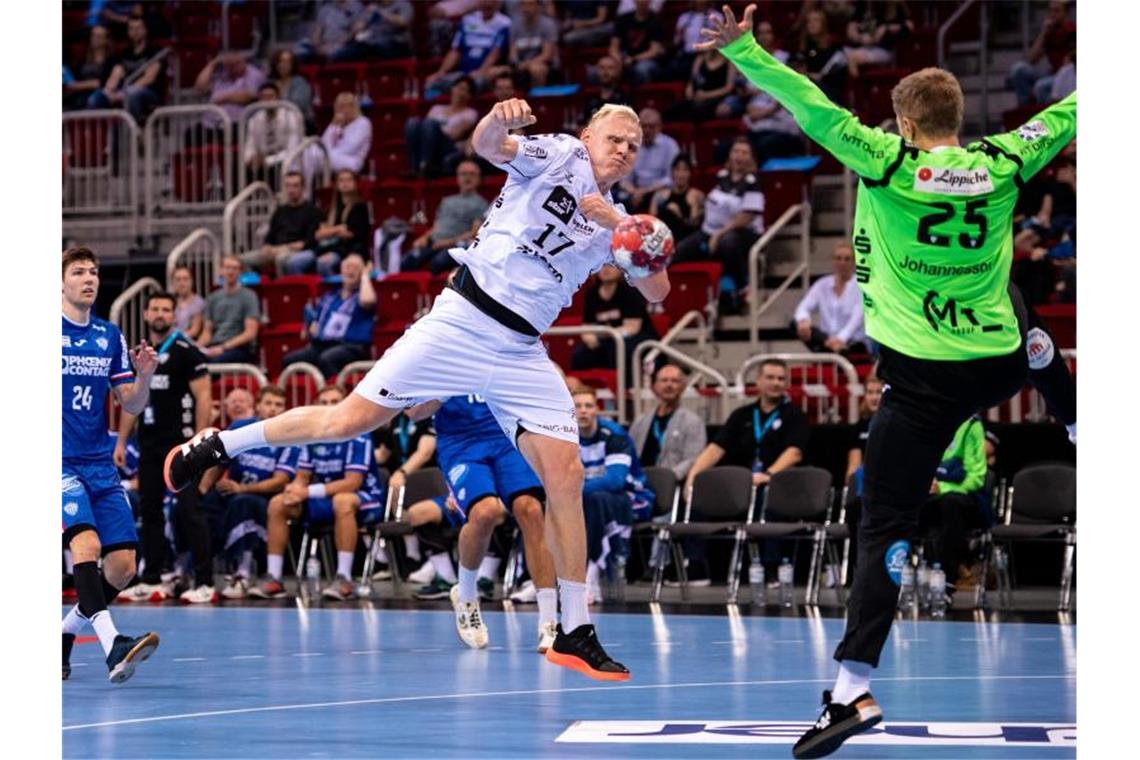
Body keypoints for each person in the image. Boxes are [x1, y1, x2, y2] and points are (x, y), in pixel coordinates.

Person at [165, 99, 671, 683]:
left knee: (566, 477)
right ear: (588, 134)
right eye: (615, 138)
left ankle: (575, 629)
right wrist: (497, 120)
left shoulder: (622, 221)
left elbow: (656, 291)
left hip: (522, 351)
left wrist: (623, 229)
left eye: (634, 146)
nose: (623, 151)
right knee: (347, 421)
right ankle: (219, 444)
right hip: (462, 322)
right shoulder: (557, 155)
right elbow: (488, 145)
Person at [697, 7, 1077, 756]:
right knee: (1019, 310)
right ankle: (1073, 414)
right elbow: (1069, 112)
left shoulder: (887, 162)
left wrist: (743, 48)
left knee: (882, 524)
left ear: (905, 122)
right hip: (998, 363)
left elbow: (809, 101)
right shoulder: (1005, 161)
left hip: (923, 384)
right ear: (957, 117)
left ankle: (849, 691)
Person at [61, 246, 160, 683]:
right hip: (56, 462)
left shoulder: (109, 335)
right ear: (60, 282)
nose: (89, 278)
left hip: (99, 462)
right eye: (78, 271)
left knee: (123, 568)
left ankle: (61, 637)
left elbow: (131, 403)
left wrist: (143, 376)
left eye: (94, 271)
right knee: (86, 547)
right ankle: (112, 645)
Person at [411, 395, 559, 652]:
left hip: (506, 438)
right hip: (461, 445)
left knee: (531, 510)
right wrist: (446, 389)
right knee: (485, 513)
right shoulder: (434, 357)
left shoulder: (506, 354)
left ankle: (549, 621)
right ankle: (466, 597)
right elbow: (415, 412)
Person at [114, 292, 215, 603]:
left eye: (166, 309)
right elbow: (131, 399)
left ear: (175, 315)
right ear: (145, 314)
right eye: (155, 308)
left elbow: (204, 398)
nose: (160, 313)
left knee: (189, 511)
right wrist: (120, 440)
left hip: (180, 447)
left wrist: (198, 443)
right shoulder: (143, 356)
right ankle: (153, 577)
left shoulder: (187, 351)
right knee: (150, 510)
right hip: (149, 445)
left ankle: (205, 582)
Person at [249, 384, 386, 601]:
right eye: (324, 403)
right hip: (323, 499)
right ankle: (274, 578)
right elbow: (302, 476)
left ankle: (344, 578)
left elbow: (352, 483)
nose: (329, 407)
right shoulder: (312, 436)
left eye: (335, 402)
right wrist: (294, 490)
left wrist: (307, 491)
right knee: (278, 503)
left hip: (366, 499)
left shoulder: (359, 435)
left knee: (342, 500)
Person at [679, 358, 810, 585]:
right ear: (758, 381)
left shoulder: (794, 415)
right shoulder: (742, 415)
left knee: (767, 496)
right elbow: (716, 448)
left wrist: (767, 474)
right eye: (770, 377)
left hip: (776, 484)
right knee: (700, 493)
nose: (776, 383)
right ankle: (696, 565)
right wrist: (693, 475)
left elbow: (794, 453)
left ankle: (770, 567)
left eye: (781, 379)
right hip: (741, 485)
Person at [199, 386, 297, 600]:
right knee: (203, 504)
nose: (273, 409)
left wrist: (242, 488)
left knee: (243, 502)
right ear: (258, 406)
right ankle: (190, 572)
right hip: (234, 492)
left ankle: (243, 573)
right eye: (268, 403)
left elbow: (280, 481)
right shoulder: (240, 428)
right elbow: (219, 464)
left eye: (278, 405)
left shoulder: (290, 436)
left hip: (266, 499)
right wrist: (203, 489)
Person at [670, 136, 765, 305]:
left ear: (751, 158)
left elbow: (747, 216)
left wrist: (720, 234)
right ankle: (673, 296)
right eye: (736, 151)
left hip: (742, 234)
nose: (739, 156)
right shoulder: (722, 177)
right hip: (709, 231)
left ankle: (744, 287)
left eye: (744, 153)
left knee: (727, 243)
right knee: (681, 250)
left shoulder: (753, 182)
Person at [573, 387, 646, 603]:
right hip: (587, 499)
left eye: (588, 406)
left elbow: (615, 481)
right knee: (541, 504)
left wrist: (568, 492)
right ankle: (535, 581)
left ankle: (591, 576)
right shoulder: (565, 436)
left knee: (594, 500)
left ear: (597, 410)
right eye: (577, 406)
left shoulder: (614, 435)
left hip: (631, 498)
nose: (583, 411)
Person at [919, 414, 988, 600]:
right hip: (935, 494)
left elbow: (977, 476)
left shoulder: (972, 425)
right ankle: (904, 579)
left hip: (965, 498)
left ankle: (947, 583)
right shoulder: (931, 421)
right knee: (909, 506)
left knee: (950, 505)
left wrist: (943, 487)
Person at [282, 254, 377, 377]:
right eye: (347, 266)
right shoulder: (329, 297)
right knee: (290, 361)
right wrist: (309, 329)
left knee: (327, 359)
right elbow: (312, 327)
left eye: (356, 267)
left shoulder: (363, 294)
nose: (350, 270)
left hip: (351, 345)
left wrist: (365, 276)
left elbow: (367, 301)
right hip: (323, 344)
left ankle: (335, 393)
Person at [570, 263, 657, 381]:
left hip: (636, 337)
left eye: (610, 266)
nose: (605, 269)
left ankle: (627, 388)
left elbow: (632, 328)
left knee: (619, 349)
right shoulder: (592, 293)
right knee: (580, 354)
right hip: (607, 338)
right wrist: (589, 338)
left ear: (621, 269)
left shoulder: (630, 291)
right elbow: (587, 327)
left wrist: (607, 336)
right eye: (602, 266)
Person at [401, 159, 488, 273]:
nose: (467, 178)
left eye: (472, 174)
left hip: (455, 244)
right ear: (457, 177)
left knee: (438, 262)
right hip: (434, 242)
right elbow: (437, 226)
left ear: (478, 178)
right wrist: (425, 237)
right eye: (463, 174)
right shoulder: (447, 201)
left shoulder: (481, 203)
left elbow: (474, 233)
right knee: (407, 261)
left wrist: (447, 242)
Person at [628, 363, 707, 479]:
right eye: (664, 381)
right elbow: (628, 454)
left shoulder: (693, 422)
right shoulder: (640, 421)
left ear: (683, 387)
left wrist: (668, 478)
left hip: (671, 484)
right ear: (654, 386)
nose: (669, 385)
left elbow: (693, 459)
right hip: (639, 483)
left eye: (675, 381)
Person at [86, 15, 165, 123]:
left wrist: (123, 93)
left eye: (138, 28)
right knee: (96, 98)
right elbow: (116, 73)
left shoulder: (154, 52)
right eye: (131, 28)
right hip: (124, 91)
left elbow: (148, 78)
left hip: (148, 93)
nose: (135, 32)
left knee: (132, 95)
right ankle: (99, 136)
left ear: (145, 30)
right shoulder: (125, 54)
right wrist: (108, 90)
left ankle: (136, 132)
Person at [424, 0, 512, 96]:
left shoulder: (505, 23)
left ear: (497, 2)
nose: (487, 3)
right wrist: (441, 72)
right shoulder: (468, 20)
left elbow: (496, 52)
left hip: (485, 73)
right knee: (432, 84)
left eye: (491, 1)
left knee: (467, 85)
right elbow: (456, 50)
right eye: (484, 1)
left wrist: (481, 71)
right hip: (463, 73)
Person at [241, 171, 323, 275]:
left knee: (281, 259)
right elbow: (270, 235)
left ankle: (283, 290)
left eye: (295, 186)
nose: (291, 190)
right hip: (276, 249)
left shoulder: (313, 211)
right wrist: (267, 246)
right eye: (288, 186)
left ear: (303, 188)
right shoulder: (280, 211)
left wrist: (285, 248)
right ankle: (255, 288)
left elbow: (310, 240)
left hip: (297, 251)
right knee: (240, 260)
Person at [792, 242, 867, 354]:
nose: (842, 263)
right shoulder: (822, 284)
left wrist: (841, 339)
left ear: (854, 262)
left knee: (853, 344)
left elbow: (857, 318)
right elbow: (803, 307)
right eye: (838, 259)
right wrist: (803, 320)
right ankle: (831, 346)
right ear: (833, 261)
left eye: (847, 259)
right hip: (826, 341)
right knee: (794, 324)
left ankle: (837, 347)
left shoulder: (861, 285)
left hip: (852, 342)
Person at [404, 77, 480, 179]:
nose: (459, 92)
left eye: (464, 89)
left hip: (449, 146)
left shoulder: (470, 113)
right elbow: (424, 132)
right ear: (452, 89)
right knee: (412, 123)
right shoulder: (436, 108)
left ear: (469, 95)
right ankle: (415, 167)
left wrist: (435, 128)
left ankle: (426, 165)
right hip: (429, 143)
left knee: (430, 125)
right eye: (458, 88)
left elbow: (454, 135)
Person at [1007, 0, 1075, 106]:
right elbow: (1031, 59)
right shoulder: (1049, 31)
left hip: (1067, 78)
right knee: (1019, 70)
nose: (1053, 15)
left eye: (1057, 11)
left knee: (1041, 86)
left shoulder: (1073, 30)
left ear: (1066, 13)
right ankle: (1024, 111)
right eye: (1050, 11)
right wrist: (1043, 32)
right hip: (1052, 74)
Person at [198, 255, 260, 364]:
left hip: (239, 348)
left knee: (210, 365)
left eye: (234, 268)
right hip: (214, 346)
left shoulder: (249, 296)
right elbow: (207, 331)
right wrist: (197, 347)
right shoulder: (212, 298)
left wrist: (223, 347)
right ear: (221, 270)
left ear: (240, 272)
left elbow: (250, 333)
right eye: (227, 268)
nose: (230, 272)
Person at [617, 108, 678, 214]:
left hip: (658, 190)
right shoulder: (631, 145)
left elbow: (671, 178)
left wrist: (645, 191)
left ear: (659, 127)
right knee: (616, 197)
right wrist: (634, 191)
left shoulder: (670, 146)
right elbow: (624, 177)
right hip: (635, 191)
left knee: (662, 200)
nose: (647, 130)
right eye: (643, 126)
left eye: (651, 127)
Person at [312, 169, 371, 276]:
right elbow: (319, 234)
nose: (345, 183)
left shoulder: (360, 207)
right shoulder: (331, 209)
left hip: (351, 250)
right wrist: (339, 229)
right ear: (337, 184)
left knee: (323, 263)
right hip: (330, 248)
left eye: (349, 180)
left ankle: (335, 290)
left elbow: (352, 234)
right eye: (341, 180)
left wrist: (330, 231)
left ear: (355, 183)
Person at [243, 82, 304, 182]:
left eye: (271, 96)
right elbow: (250, 146)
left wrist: (267, 161)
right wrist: (250, 159)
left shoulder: (291, 117)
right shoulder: (254, 120)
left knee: (282, 166)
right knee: (242, 166)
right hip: (263, 161)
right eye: (264, 97)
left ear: (278, 98)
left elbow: (293, 150)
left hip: (286, 160)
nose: (267, 101)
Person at [194, 51, 265, 135]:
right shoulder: (222, 75)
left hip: (237, 124)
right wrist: (213, 64)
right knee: (192, 133)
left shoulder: (253, 73)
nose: (235, 67)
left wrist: (224, 98)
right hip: (211, 124)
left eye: (238, 63)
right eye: (231, 65)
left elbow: (250, 95)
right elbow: (199, 88)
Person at [609, 0, 666, 85]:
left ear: (650, 2)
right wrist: (618, 59)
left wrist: (633, 59)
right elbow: (613, 47)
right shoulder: (623, 19)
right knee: (601, 69)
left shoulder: (656, 21)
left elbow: (654, 51)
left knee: (641, 69)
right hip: (624, 57)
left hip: (646, 60)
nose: (642, 2)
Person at [649, 155, 705, 241]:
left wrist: (679, 216)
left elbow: (694, 226)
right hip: (662, 240)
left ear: (690, 173)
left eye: (685, 170)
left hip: (685, 240)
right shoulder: (660, 195)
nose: (681, 174)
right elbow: (651, 223)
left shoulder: (696, 195)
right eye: (677, 169)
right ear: (672, 172)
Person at [510, 0, 560, 89]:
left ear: (538, 7)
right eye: (523, 4)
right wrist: (519, 63)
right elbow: (513, 53)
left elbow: (547, 55)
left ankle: (538, 101)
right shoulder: (515, 25)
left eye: (530, 4)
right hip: (522, 64)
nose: (526, 8)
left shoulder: (547, 25)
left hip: (544, 63)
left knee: (537, 70)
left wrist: (528, 64)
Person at [65, 24, 115, 111]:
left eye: (99, 36)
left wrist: (76, 86)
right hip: (80, 94)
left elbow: (100, 83)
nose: (95, 39)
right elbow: (74, 80)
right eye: (93, 35)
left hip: (98, 96)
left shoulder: (111, 61)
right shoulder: (83, 60)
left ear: (106, 40)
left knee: (91, 100)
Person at [267, 48, 315, 133]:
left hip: (299, 124)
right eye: (281, 61)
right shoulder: (269, 82)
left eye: (288, 62)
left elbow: (298, 105)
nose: (284, 65)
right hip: (272, 123)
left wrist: (275, 102)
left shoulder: (300, 82)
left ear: (293, 65)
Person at [581, 55, 633, 125]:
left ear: (618, 71)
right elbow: (582, 126)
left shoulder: (625, 98)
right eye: (601, 68)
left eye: (610, 68)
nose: (605, 72)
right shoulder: (590, 99)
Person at [170, 265, 205, 341]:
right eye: (178, 280)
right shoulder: (170, 302)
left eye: (185, 279)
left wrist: (174, 338)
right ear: (173, 282)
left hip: (186, 341)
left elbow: (194, 331)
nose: (182, 283)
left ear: (192, 281)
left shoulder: (198, 303)